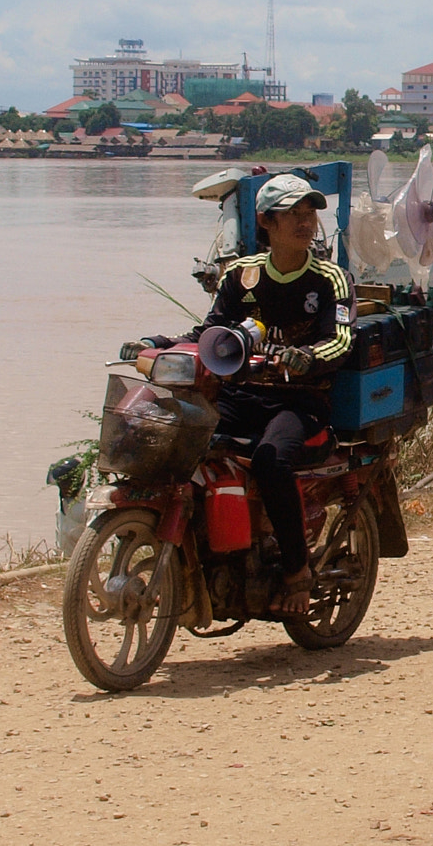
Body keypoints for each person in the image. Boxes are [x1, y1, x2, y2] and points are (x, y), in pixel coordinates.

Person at [125, 172, 353, 615]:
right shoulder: (241, 275)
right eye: (294, 214)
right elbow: (209, 331)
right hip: (241, 396)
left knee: (271, 459)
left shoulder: (331, 280)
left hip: (299, 401)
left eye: (310, 213)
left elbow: (342, 339)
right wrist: (160, 344)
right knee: (181, 436)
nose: (306, 222)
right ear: (266, 222)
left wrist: (306, 356)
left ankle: (295, 569)